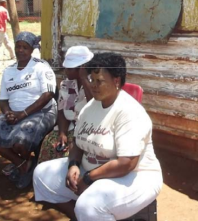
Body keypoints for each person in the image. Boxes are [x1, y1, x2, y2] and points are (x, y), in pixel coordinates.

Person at [33, 52, 162, 221]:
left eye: (99, 81)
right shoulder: (90, 107)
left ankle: (87, 214)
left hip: (134, 177)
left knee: (89, 206)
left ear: (116, 81)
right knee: (41, 175)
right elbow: (77, 143)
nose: (93, 85)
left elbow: (127, 163)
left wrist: (88, 177)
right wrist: (73, 165)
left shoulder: (129, 112)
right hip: (91, 171)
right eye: (91, 80)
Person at [0, 31, 57, 189]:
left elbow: (48, 94)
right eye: (18, 47)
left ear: (31, 50)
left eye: (25, 47)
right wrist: (7, 113)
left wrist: (23, 114)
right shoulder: (8, 71)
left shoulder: (41, 67)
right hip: (14, 113)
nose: (20, 50)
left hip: (41, 112)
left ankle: (25, 167)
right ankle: (24, 164)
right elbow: (3, 99)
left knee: (20, 141)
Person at [38, 46, 94, 163]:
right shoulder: (66, 84)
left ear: (81, 69)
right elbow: (62, 110)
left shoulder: (95, 83)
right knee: (49, 143)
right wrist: (62, 133)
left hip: (88, 130)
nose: (66, 71)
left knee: (68, 154)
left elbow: (95, 104)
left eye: (69, 69)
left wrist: (84, 79)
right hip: (70, 127)